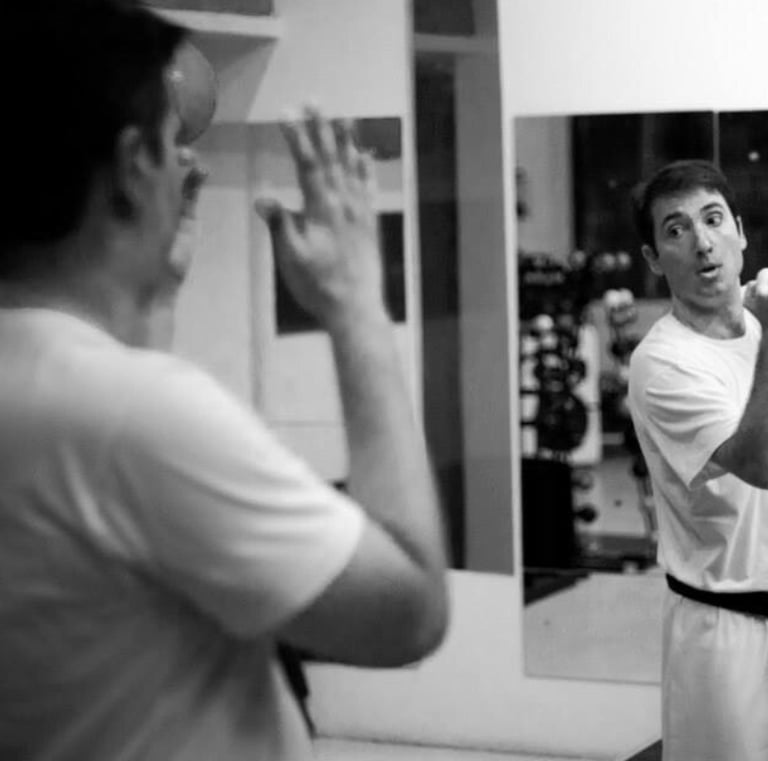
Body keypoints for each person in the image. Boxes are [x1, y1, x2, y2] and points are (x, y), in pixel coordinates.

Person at [0, 2, 449, 760]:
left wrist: (153, 289)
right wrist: (355, 307)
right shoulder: (132, 418)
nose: (185, 164)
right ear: (135, 162)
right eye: (171, 141)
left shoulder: (55, 392)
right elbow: (410, 609)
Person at [628, 159, 768, 761]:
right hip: (726, 632)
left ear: (740, 231)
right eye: (676, 229)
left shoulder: (760, 331)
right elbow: (761, 464)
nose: (702, 242)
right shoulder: (663, 363)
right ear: (654, 258)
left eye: (713, 220)